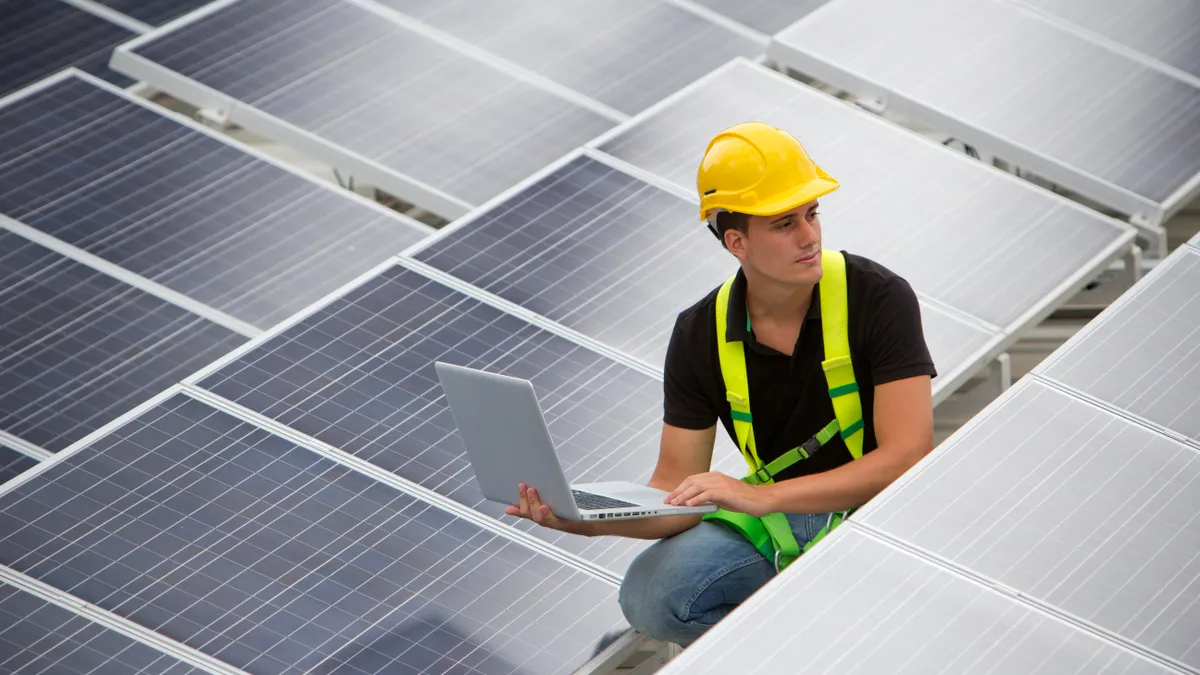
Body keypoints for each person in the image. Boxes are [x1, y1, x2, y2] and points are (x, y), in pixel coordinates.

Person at [504, 122, 937, 648]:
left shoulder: (879, 297)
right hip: (783, 520)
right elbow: (674, 487)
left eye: (812, 213)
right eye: (784, 224)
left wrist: (762, 496)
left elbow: (907, 456)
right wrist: (584, 522)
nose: (810, 235)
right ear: (737, 242)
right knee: (651, 597)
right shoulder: (698, 333)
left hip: (890, 513)